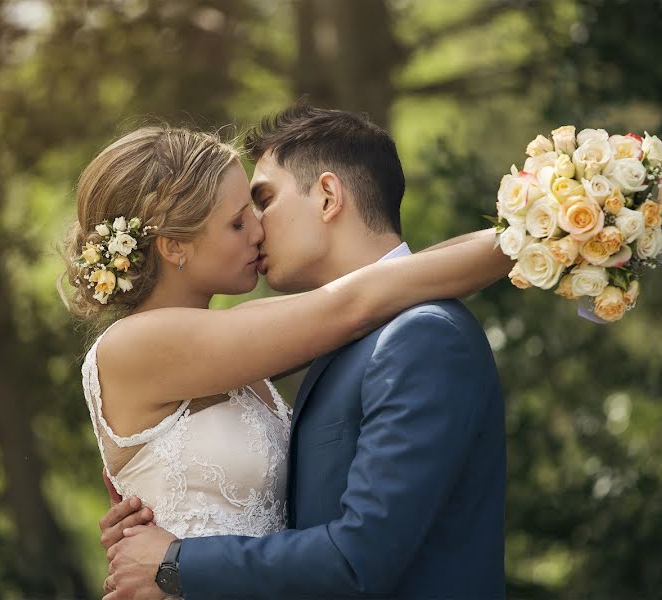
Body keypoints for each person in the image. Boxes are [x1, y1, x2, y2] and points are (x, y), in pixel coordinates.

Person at [65, 106, 511, 599]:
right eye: (238, 222)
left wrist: (548, 226)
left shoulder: (245, 351)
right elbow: (355, 302)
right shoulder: (143, 343)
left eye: (259, 208)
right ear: (174, 246)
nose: (258, 231)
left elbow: (375, 292)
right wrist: (534, 237)